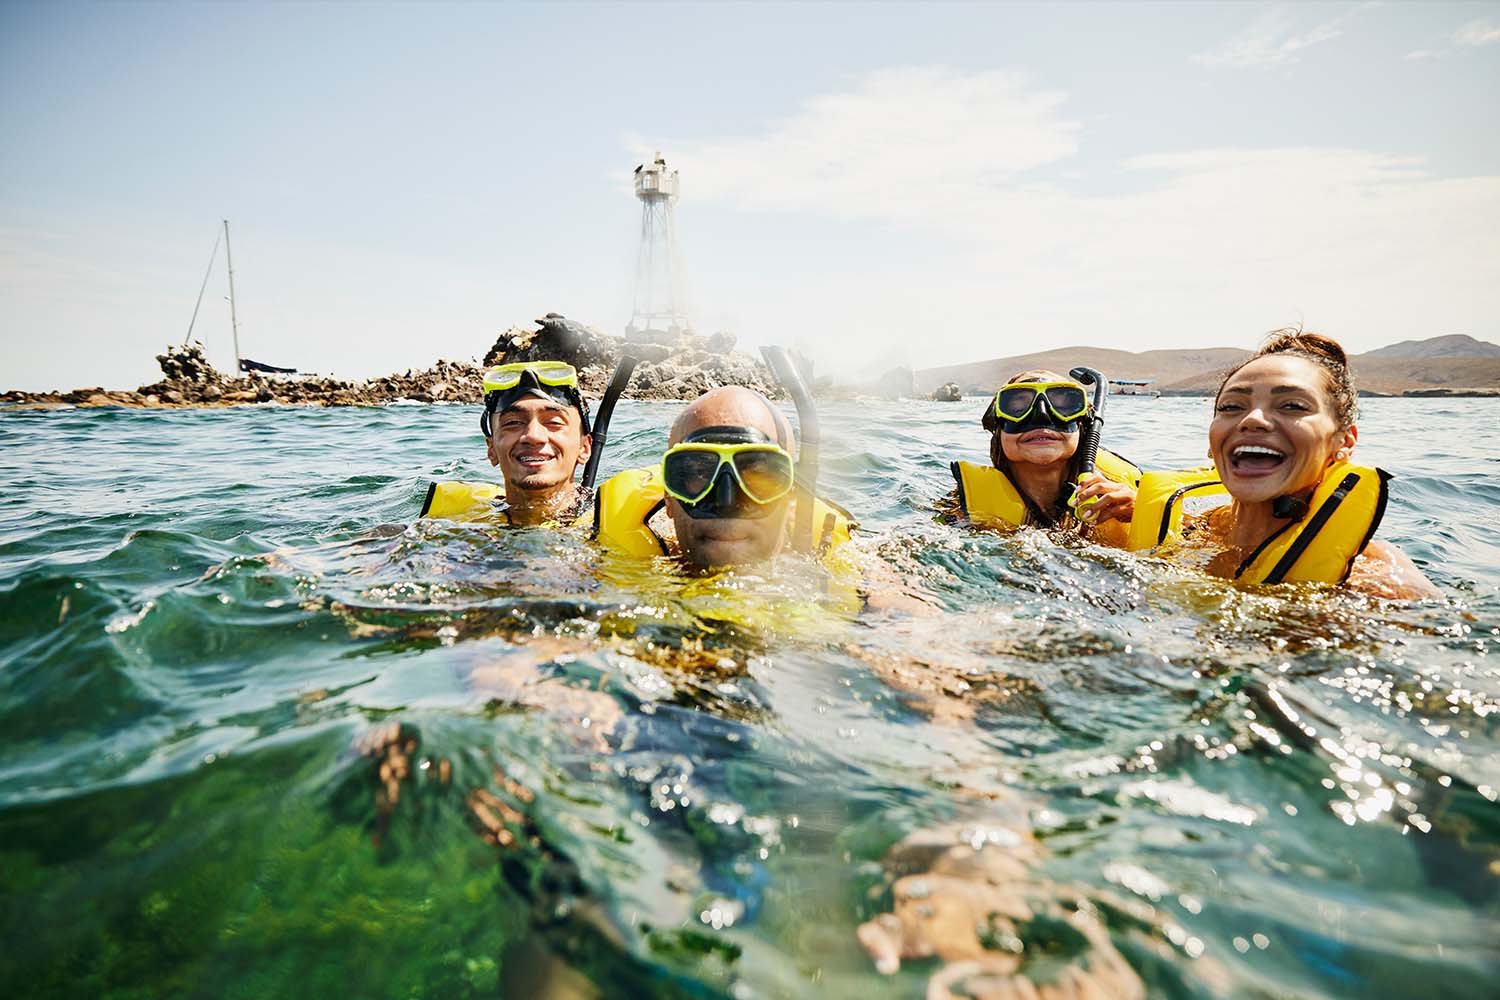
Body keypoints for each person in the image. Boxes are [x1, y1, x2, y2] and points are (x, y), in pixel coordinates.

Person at [1134, 330, 1437, 598]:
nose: (1252, 420)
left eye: (1292, 406)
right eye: (1231, 407)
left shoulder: (1379, 581)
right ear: (1213, 445)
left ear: (1343, 442)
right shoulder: (1195, 531)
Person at [594, 385, 855, 569]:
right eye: (698, 473)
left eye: (758, 474)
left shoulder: (854, 572)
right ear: (669, 498)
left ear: (791, 496)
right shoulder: (600, 564)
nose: (726, 501)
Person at [944, 369, 1140, 546]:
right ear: (997, 429)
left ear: (1084, 427)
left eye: (1063, 404)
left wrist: (1142, 515)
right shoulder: (961, 506)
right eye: (1018, 406)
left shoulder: (1127, 499)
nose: (1041, 415)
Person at [419, 361, 593, 526]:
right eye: (513, 423)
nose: (533, 436)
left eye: (554, 422)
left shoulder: (611, 520)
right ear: (492, 449)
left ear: (584, 448)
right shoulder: (455, 526)